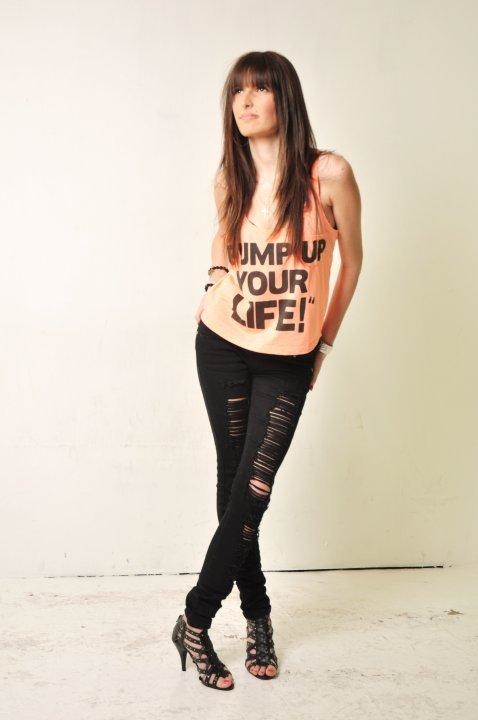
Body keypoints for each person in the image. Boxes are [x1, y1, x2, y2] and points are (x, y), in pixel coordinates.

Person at [172, 50, 363, 691]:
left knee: (253, 490)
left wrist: (322, 348)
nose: (246, 101)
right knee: (234, 488)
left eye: (260, 89)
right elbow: (222, 242)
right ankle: (257, 616)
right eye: (237, 91)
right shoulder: (230, 177)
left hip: (289, 356)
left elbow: (353, 261)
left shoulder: (328, 174)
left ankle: (194, 618)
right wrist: (214, 280)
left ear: (286, 96)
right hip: (222, 345)